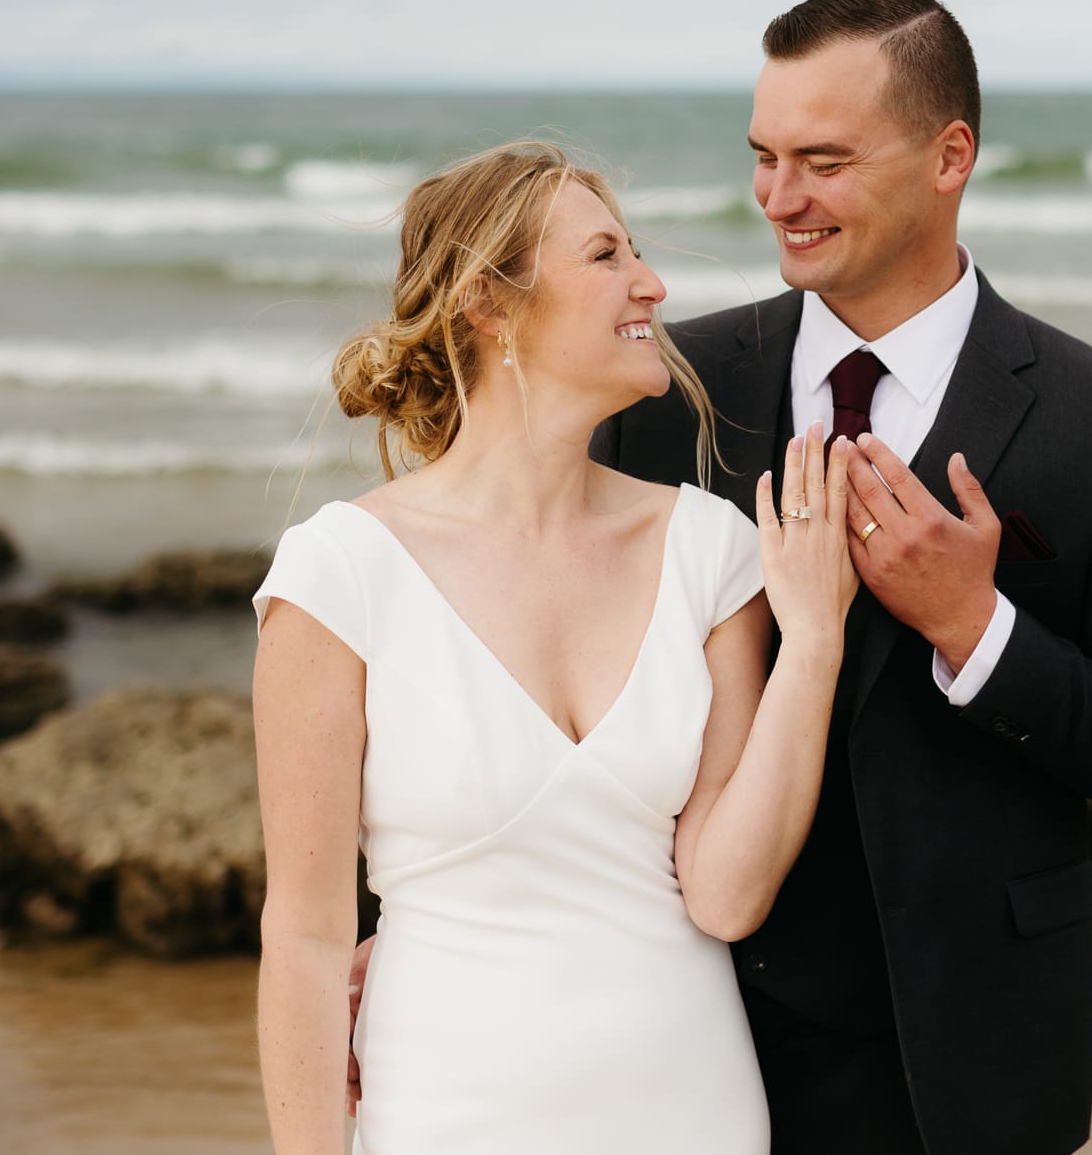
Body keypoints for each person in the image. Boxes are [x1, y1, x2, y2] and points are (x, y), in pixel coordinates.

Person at [591, 0, 1092, 1154]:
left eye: (822, 161)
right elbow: (533, 667)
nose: (779, 200)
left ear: (950, 155)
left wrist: (976, 629)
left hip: (970, 1056)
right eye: (763, 158)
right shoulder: (663, 394)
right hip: (693, 1025)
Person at [250, 140, 858, 1155]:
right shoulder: (339, 575)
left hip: (693, 1116)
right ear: (490, 304)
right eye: (606, 256)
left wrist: (814, 644)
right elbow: (306, 940)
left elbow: (725, 891)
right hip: (442, 1120)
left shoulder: (710, 551)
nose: (650, 284)